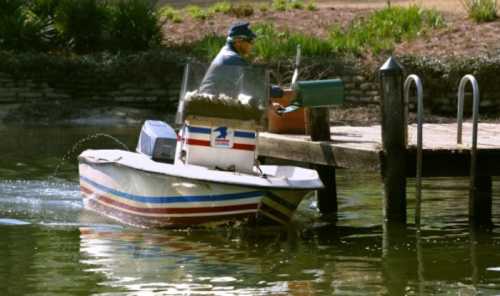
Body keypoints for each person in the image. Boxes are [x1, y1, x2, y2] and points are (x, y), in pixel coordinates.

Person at [199, 21, 283, 99]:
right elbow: (256, 87)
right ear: (238, 41)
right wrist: (280, 92)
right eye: (250, 41)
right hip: (213, 108)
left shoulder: (225, 53)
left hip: (210, 104)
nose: (252, 45)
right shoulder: (233, 59)